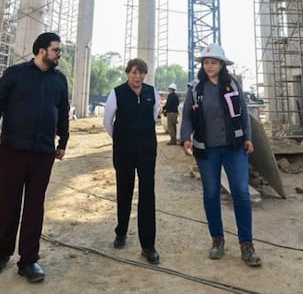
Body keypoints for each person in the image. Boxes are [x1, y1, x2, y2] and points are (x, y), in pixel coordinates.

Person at [0, 32, 70, 283]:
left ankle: (29, 260)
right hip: (12, 150)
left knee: (34, 208)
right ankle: (1, 254)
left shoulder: (59, 80)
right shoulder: (15, 74)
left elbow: (62, 111)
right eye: (56, 50)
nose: (59, 55)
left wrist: (63, 141)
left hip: (43, 153)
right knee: (8, 204)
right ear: (42, 51)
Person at [180, 43, 262, 267]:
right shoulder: (196, 88)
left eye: (213, 62)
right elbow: (187, 115)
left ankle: (247, 244)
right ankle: (217, 240)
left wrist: (248, 137)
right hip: (206, 150)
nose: (209, 66)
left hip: (234, 146)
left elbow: (243, 112)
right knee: (212, 193)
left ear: (221, 64)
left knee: (241, 192)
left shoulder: (232, 84)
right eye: (206, 62)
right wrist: (185, 137)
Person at [103, 58, 161, 264]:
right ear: (127, 73)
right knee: (124, 189)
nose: (137, 77)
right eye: (134, 72)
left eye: (141, 73)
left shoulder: (151, 92)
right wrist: (121, 139)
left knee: (147, 193)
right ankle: (121, 231)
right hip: (124, 151)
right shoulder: (116, 93)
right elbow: (107, 121)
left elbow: (154, 117)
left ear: (145, 74)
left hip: (146, 151)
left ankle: (148, 245)